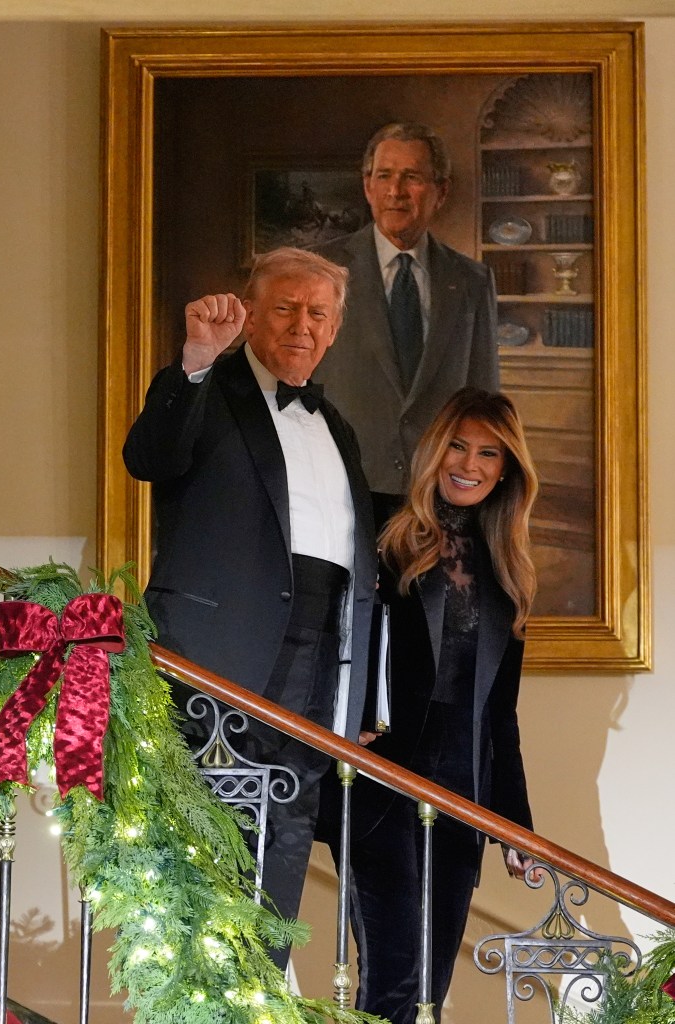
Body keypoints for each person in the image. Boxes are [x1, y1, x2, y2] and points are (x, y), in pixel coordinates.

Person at [123, 247, 377, 969]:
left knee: (286, 827)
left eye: (317, 313)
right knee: (202, 840)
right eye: (285, 308)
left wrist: (356, 692)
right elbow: (149, 457)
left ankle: (259, 990)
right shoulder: (207, 388)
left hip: (318, 658)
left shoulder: (339, 429)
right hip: (216, 653)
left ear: (333, 329)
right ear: (252, 313)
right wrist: (196, 359)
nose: (302, 325)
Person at [337, 386, 539, 1024]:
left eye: (488, 453)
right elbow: (332, 633)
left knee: (429, 988)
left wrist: (515, 823)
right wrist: (343, 722)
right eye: (458, 445)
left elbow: (498, 715)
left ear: (506, 469)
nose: (469, 464)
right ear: (433, 449)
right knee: (393, 979)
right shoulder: (380, 530)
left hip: (462, 796)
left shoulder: (508, 573)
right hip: (383, 782)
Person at [313, 122, 499, 528]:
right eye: (384, 176)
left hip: (439, 494)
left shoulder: (472, 281)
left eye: (411, 177)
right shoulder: (319, 271)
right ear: (367, 186)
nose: (395, 191)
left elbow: (485, 402)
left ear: (441, 191)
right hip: (337, 492)